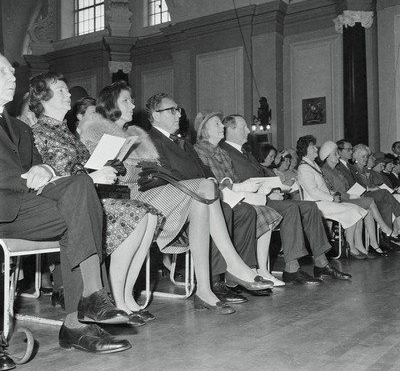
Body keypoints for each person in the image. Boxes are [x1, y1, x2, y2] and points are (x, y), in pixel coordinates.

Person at [80, 85, 272, 314]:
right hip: (131, 198)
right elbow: (103, 176)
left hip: (153, 193)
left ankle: (205, 290)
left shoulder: (137, 135)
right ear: (110, 104)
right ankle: (233, 264)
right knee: (205, 188)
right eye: (126, 101)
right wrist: (131, 167)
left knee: (204, 195)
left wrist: (138, 167)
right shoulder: (96, 132)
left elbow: (149, 171)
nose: (133, 105)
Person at [0, 54, 131, 354]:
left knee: (81, 190)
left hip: (28, 205)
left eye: (12, 71)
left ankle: (79, 318)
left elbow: (39, 165)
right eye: (3, 72)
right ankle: (87, 307)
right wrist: (28, 177)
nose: (12, 77)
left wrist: (44, 169)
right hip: (4, 209)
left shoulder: (19, 129)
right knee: (81, 208)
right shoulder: (29, 128)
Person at [30, 72, 163, 326]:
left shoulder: (66, 132)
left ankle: (125, 296)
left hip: (84, 194)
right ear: (43, 98)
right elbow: (55, 176)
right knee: (135, 213)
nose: (69, 93)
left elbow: (78, 168)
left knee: (148, 214)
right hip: (65, 204)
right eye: (60, 90)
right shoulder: (38, 132)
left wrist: (102, 169)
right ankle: (114, 298)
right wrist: (92, 175)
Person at [142, 92, 273, 302]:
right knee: (222, 205)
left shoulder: (182, 142)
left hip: (197, 198)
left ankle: (227, 276)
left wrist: (210, 182)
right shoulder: (148, 139)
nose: (179, 114)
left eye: (178, 110)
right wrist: (205, 184)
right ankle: (223, 274)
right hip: (171, 203)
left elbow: (205, 170)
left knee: (237, 210)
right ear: (156, 115)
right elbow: (164, 174)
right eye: (172, 110)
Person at [220, 114, 351, 284]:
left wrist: (273, 189)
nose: (247, 131)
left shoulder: (245, 151)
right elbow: (235, 182)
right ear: (230, 129)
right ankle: (292, 268)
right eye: (243, 127)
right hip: (248, 200)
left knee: (310, 207)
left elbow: (259, 175)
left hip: (263, 195)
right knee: (290, 208)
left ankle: (321, 263)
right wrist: (266, 192)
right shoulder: (224, 151)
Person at [193, 112, 284, 286]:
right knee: (247, 211)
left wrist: (253, 188)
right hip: (215, 200)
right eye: (217, 124)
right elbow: (212, 183)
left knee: (264, 212)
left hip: (231, 198)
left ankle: (251, 269)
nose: (223, 127)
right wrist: (241, 187)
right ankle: (239, 270)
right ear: (205, 130)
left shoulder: (223, 153)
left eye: (222, 124)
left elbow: (234, 180)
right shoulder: (199, 150)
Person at [296, 136, 372, 259]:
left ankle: (356, 245)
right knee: (352, 210)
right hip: (316, 204)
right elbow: (313, 191)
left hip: (324, 201)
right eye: (313, 147)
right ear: (306, 150)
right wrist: (332, 198)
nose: (316, 148)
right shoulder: (304, 167)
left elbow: (323, 188)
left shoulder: (312, 164)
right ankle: (350, 247)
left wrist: (332, 195)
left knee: (356, 208)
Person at [319, 141, 391, 258]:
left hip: (348, 197)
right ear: (327, 157)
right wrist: (350, 195)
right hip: (339, 200)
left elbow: (346, 186)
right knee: (369, 201)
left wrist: (353, 194)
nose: (338, 156)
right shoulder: (325, 171)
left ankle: (365, 244)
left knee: (368, 210)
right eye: (335, 154)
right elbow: (332, 191)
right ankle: (382, 228)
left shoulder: (336, 170)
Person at [351, 144, 400, 251]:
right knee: (385, 192)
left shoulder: (366, 170)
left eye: (366, 157)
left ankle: (386, 238)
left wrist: (373, 187)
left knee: (386, 205)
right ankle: (397, 223)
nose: (366, 159)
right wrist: (370, 188)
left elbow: (373, 183)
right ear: (355, 157)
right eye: (363, 157)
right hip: (361, 196)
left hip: (372, 195)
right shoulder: (353, 169)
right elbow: (354, 186)